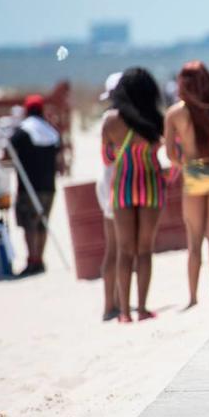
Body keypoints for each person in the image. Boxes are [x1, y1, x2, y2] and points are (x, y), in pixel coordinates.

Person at [165, 61, 209, 308]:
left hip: (193, 172)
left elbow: (170, 156)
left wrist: (184, 160)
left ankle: (193, 297)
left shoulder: (174, 114)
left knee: (193, 240)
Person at [102, 68, 167, 323]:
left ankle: (124, 313)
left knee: (125, 251)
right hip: (150, 183)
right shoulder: (156, 119)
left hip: (123, 185)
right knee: (145, 251)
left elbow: (107, 158)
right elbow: (174, 150)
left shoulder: (111, 121)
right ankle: (141, 309)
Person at [10, 94, 61, 277]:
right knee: (41, 224)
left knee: (29, 224)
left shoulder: (24, 131)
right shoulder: (51, 132)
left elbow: (9, 150)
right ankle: (39, 259)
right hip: (49, 186)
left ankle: (33, 260)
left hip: (29, 187)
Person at [96, 72, 122, 319]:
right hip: (115, 184)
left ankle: (112, 303)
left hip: (108, 182)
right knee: (116, 248)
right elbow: (109, 156)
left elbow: (106, 157)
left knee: (114, 248)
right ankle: (111, 305)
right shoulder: (115, 119)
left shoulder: (108, 118)